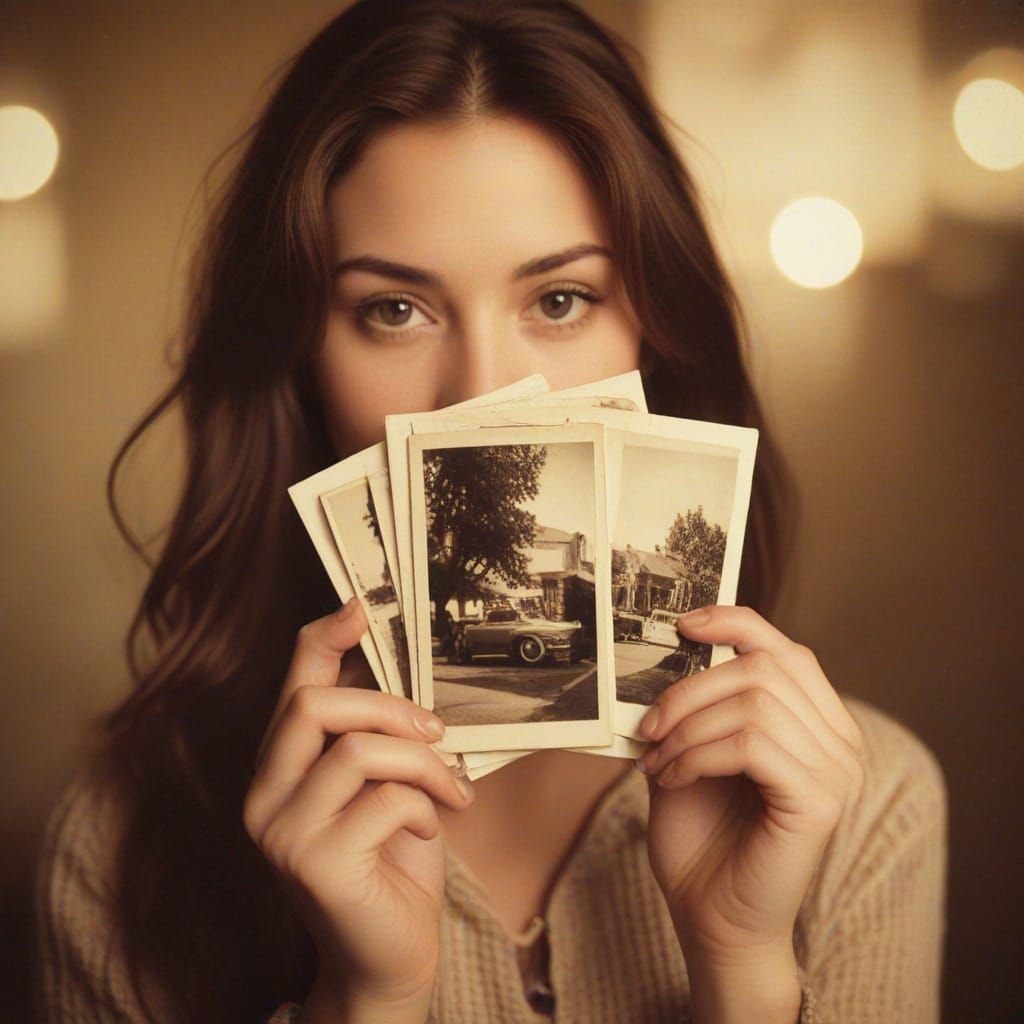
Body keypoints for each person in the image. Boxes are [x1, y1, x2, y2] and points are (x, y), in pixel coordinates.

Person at [31, 2, 948, 1022]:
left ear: (655, 337)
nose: (483, 397)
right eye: (394, 309)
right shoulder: (125, 844)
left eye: (560, 300)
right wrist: (365, 998)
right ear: (301, 365)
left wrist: (742, 961)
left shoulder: (860, 803)